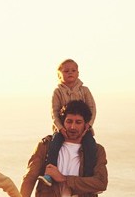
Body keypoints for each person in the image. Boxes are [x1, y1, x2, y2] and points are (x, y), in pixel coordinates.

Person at [39, 59, 98, 187]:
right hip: (62, 129)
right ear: (59, 75)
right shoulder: (58, 92)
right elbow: (54, 112)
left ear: (78, 73)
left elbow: (92, 108)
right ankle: (49, 174)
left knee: (90, 146)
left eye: (73, 70)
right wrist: (60, 128)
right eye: (66, 71)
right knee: (54, 145)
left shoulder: (84, 90)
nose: (70, 73)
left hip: (84, 128)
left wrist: (89, 125)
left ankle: (88, 176)